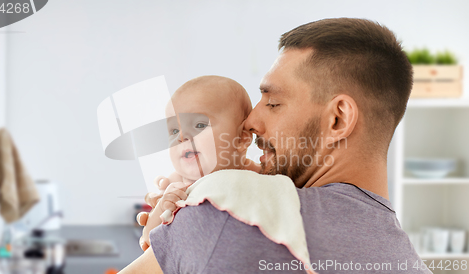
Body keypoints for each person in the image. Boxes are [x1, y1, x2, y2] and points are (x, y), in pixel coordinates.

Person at [121, 18, 432, 273]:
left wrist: (178, 225)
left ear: (338, 119)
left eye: (272, 102)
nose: (250, 122)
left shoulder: (230, 205)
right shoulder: (408, 263)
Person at [137, 75, 258, 251]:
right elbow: (148, 240)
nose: (182, 137)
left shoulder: (256, 174)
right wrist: (163, 206)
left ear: (241, 139)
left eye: (200, 125)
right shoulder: (177, 184)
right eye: (174, 130)